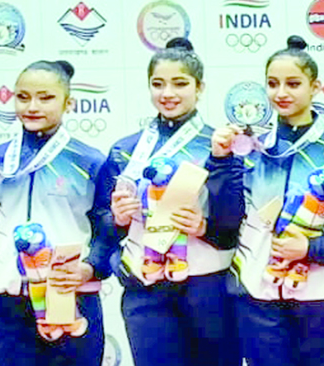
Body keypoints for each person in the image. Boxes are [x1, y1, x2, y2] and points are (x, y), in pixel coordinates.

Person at [216, 35, 324, 366]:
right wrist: (221, 160)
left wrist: (311, 250)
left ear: (315, 87)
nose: (281, 93)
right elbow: (227, 218)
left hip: (322, 292)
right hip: (259, 291)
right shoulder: (252, 146)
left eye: (293, 83)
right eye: (272, 84)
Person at [90, 38, 243, 366]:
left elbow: (235, 223)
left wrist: (204, 227)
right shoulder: (124, 150)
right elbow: (102, 226)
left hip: (208, 287)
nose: (167, 93)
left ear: (199, 88)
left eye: (180, 83)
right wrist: (116, 218)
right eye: (158, 84)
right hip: (146, 289)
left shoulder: (219, 146)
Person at [0, 60, 106, 365]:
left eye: (45, 97)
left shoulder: (90, 161)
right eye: (23, 97)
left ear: (69, 103)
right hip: (9, 304)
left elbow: (108, 231)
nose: (32, 106)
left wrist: (90, 268)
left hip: (69, 296)